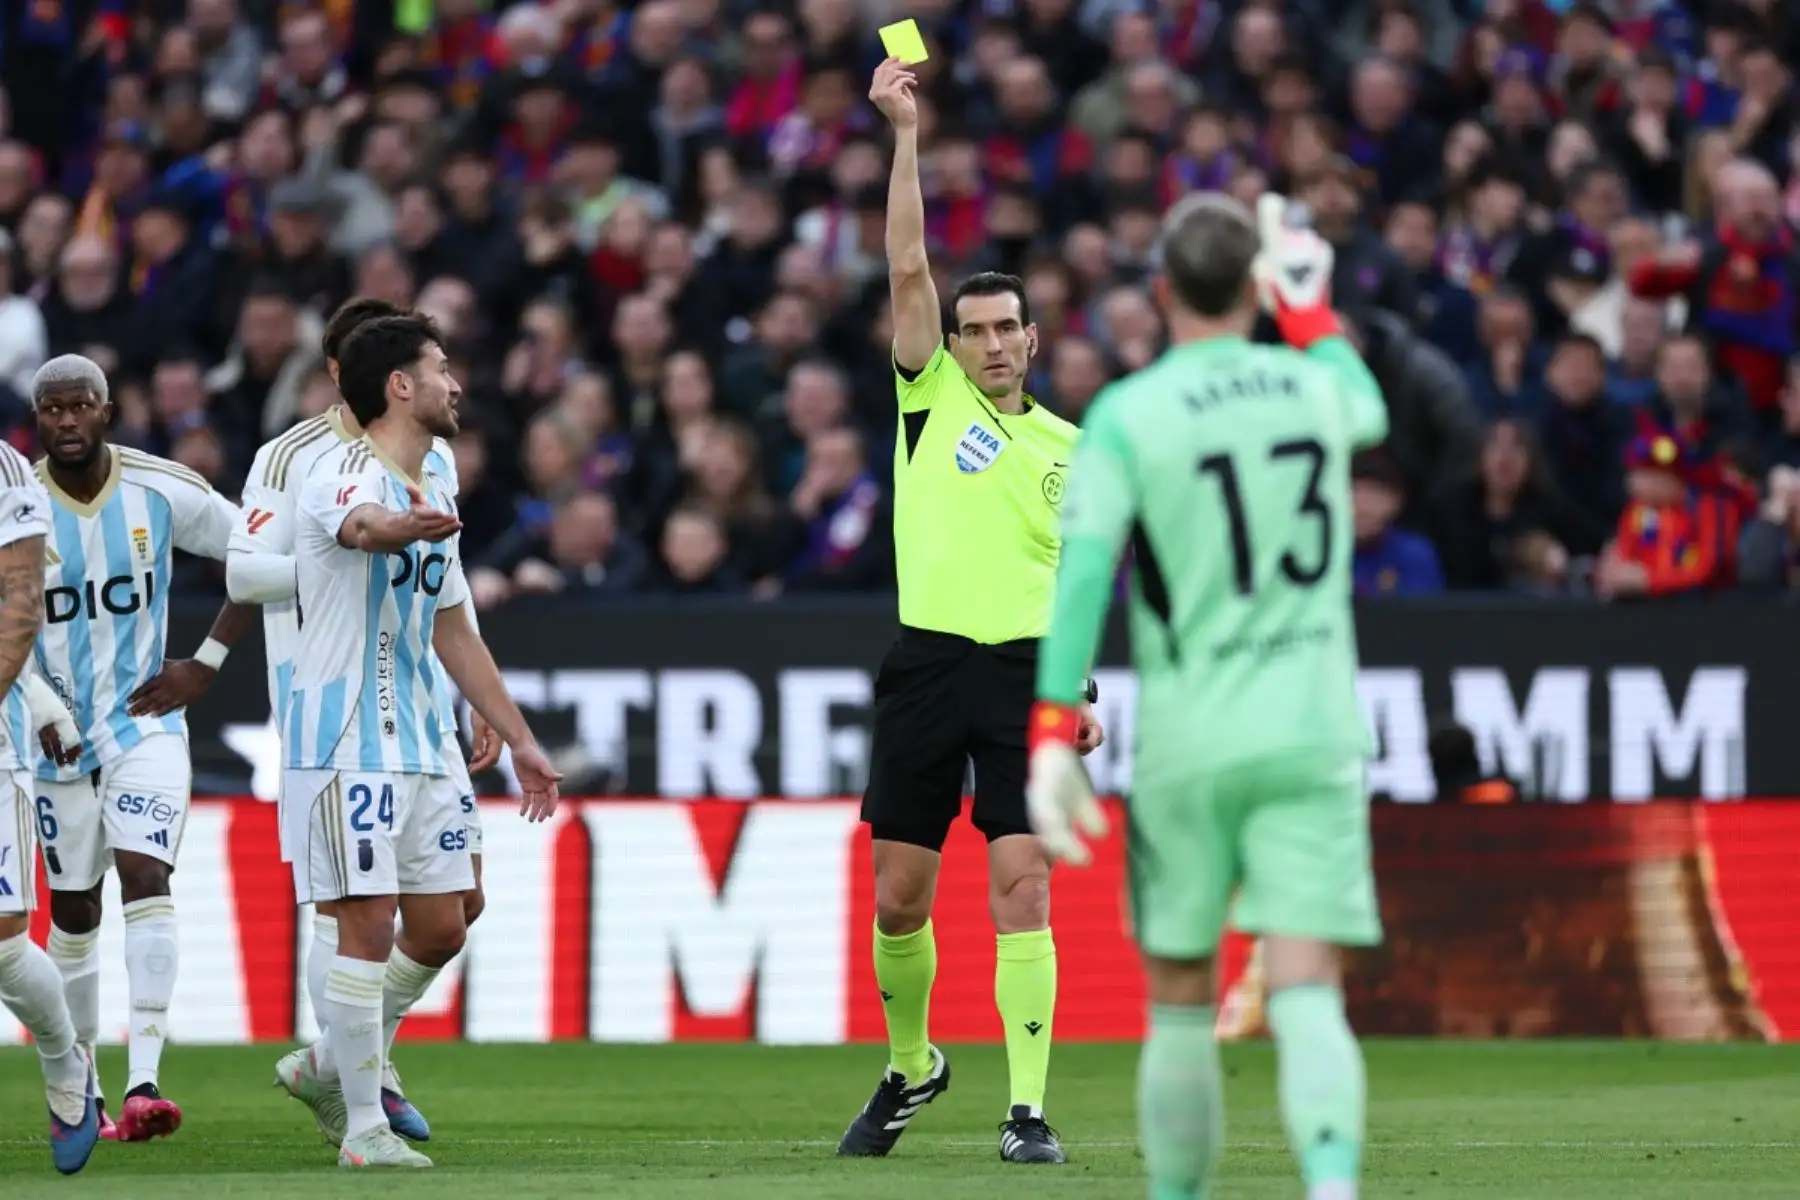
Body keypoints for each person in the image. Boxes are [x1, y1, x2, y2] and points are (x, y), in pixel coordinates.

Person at [1026, 193, 1388, 1200]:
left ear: (1161, 292)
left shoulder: (1129, 413)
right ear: (1254, 287)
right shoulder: (1311, 386)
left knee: (1181, 997)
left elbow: (1085, 570)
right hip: (1312, 731)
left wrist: (1053, 724)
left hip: (1191, 740)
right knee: (1308, 985)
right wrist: (1310, 314)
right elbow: (1370, 406)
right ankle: (1330, 1187)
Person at [836, 59, 1104, 1166]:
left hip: (1030, 674)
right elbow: (906, 260)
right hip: (929, 662)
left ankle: (1028, 1110)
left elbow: (1082, 584)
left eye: (1008, 329)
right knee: (901, 899)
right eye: (974, 328)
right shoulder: (928, 399)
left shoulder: (1074, 453)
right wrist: (905, 134)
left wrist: (1081, 689)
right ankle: (912, 1066)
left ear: (1035, 341)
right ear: (949, 344)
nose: (991, 344)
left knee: (1021, 878)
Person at [278, 313, 560, 1168]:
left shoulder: (437, 475)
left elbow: (451, 627)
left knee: (445, 922)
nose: (455, 383)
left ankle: (331, 1058)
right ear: (400, 386)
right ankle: (363, 1130)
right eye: (441, 368)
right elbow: (362, 528)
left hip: (419, 736)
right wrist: (403, 528)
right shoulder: (335, 471)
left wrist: (520, 739)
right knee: (366, 924)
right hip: (343, 741)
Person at [228, 296, 500, 1144]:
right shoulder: (295, 458)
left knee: (459, 907)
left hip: (421, 701)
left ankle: (336, 1056)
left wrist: (481, 700)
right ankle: (361, 1087)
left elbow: (444, 589)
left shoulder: (433, 459)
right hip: (332, 698)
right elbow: (243, 573)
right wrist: (334, 557)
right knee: (351, 909)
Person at [28, 353, 254, 1144]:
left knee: (145, 872)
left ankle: (145, 1083)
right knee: (74, 909)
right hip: (48, 737)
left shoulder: (161, 488)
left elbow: (257, 556)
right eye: (51, 410)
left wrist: (206, 664)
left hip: (144, 720)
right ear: (38, 418)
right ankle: (78, 1082)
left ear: (106, 410)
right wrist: (44, 704)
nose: (65, 422)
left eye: (79, 406)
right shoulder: (15, 503)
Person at [0, 435, 105, 1175]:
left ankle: (67, 1060)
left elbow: (20, 603)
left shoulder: (4, 470)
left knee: (3, 937)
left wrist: (32, 698)